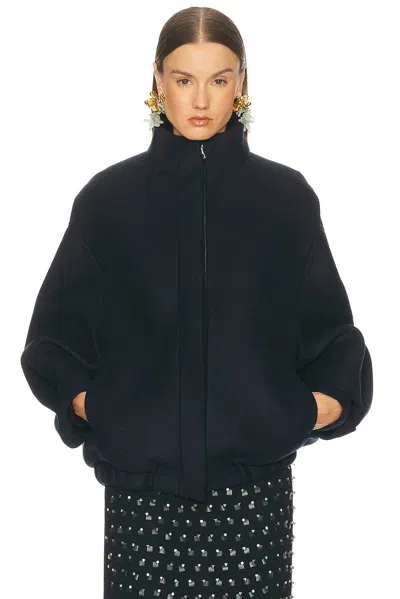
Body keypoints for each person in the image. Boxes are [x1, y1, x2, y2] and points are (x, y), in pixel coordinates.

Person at [20, 6, 373, 598]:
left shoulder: (286, 199)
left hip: (253, 499)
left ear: (242, 83)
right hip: (142, 500)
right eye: (184, 79)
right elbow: (53, 340)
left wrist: (296, 413)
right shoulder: (107, 201)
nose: (202, 100)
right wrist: (104, 407)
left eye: (219, 78)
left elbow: (333, 335)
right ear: (158, 80)